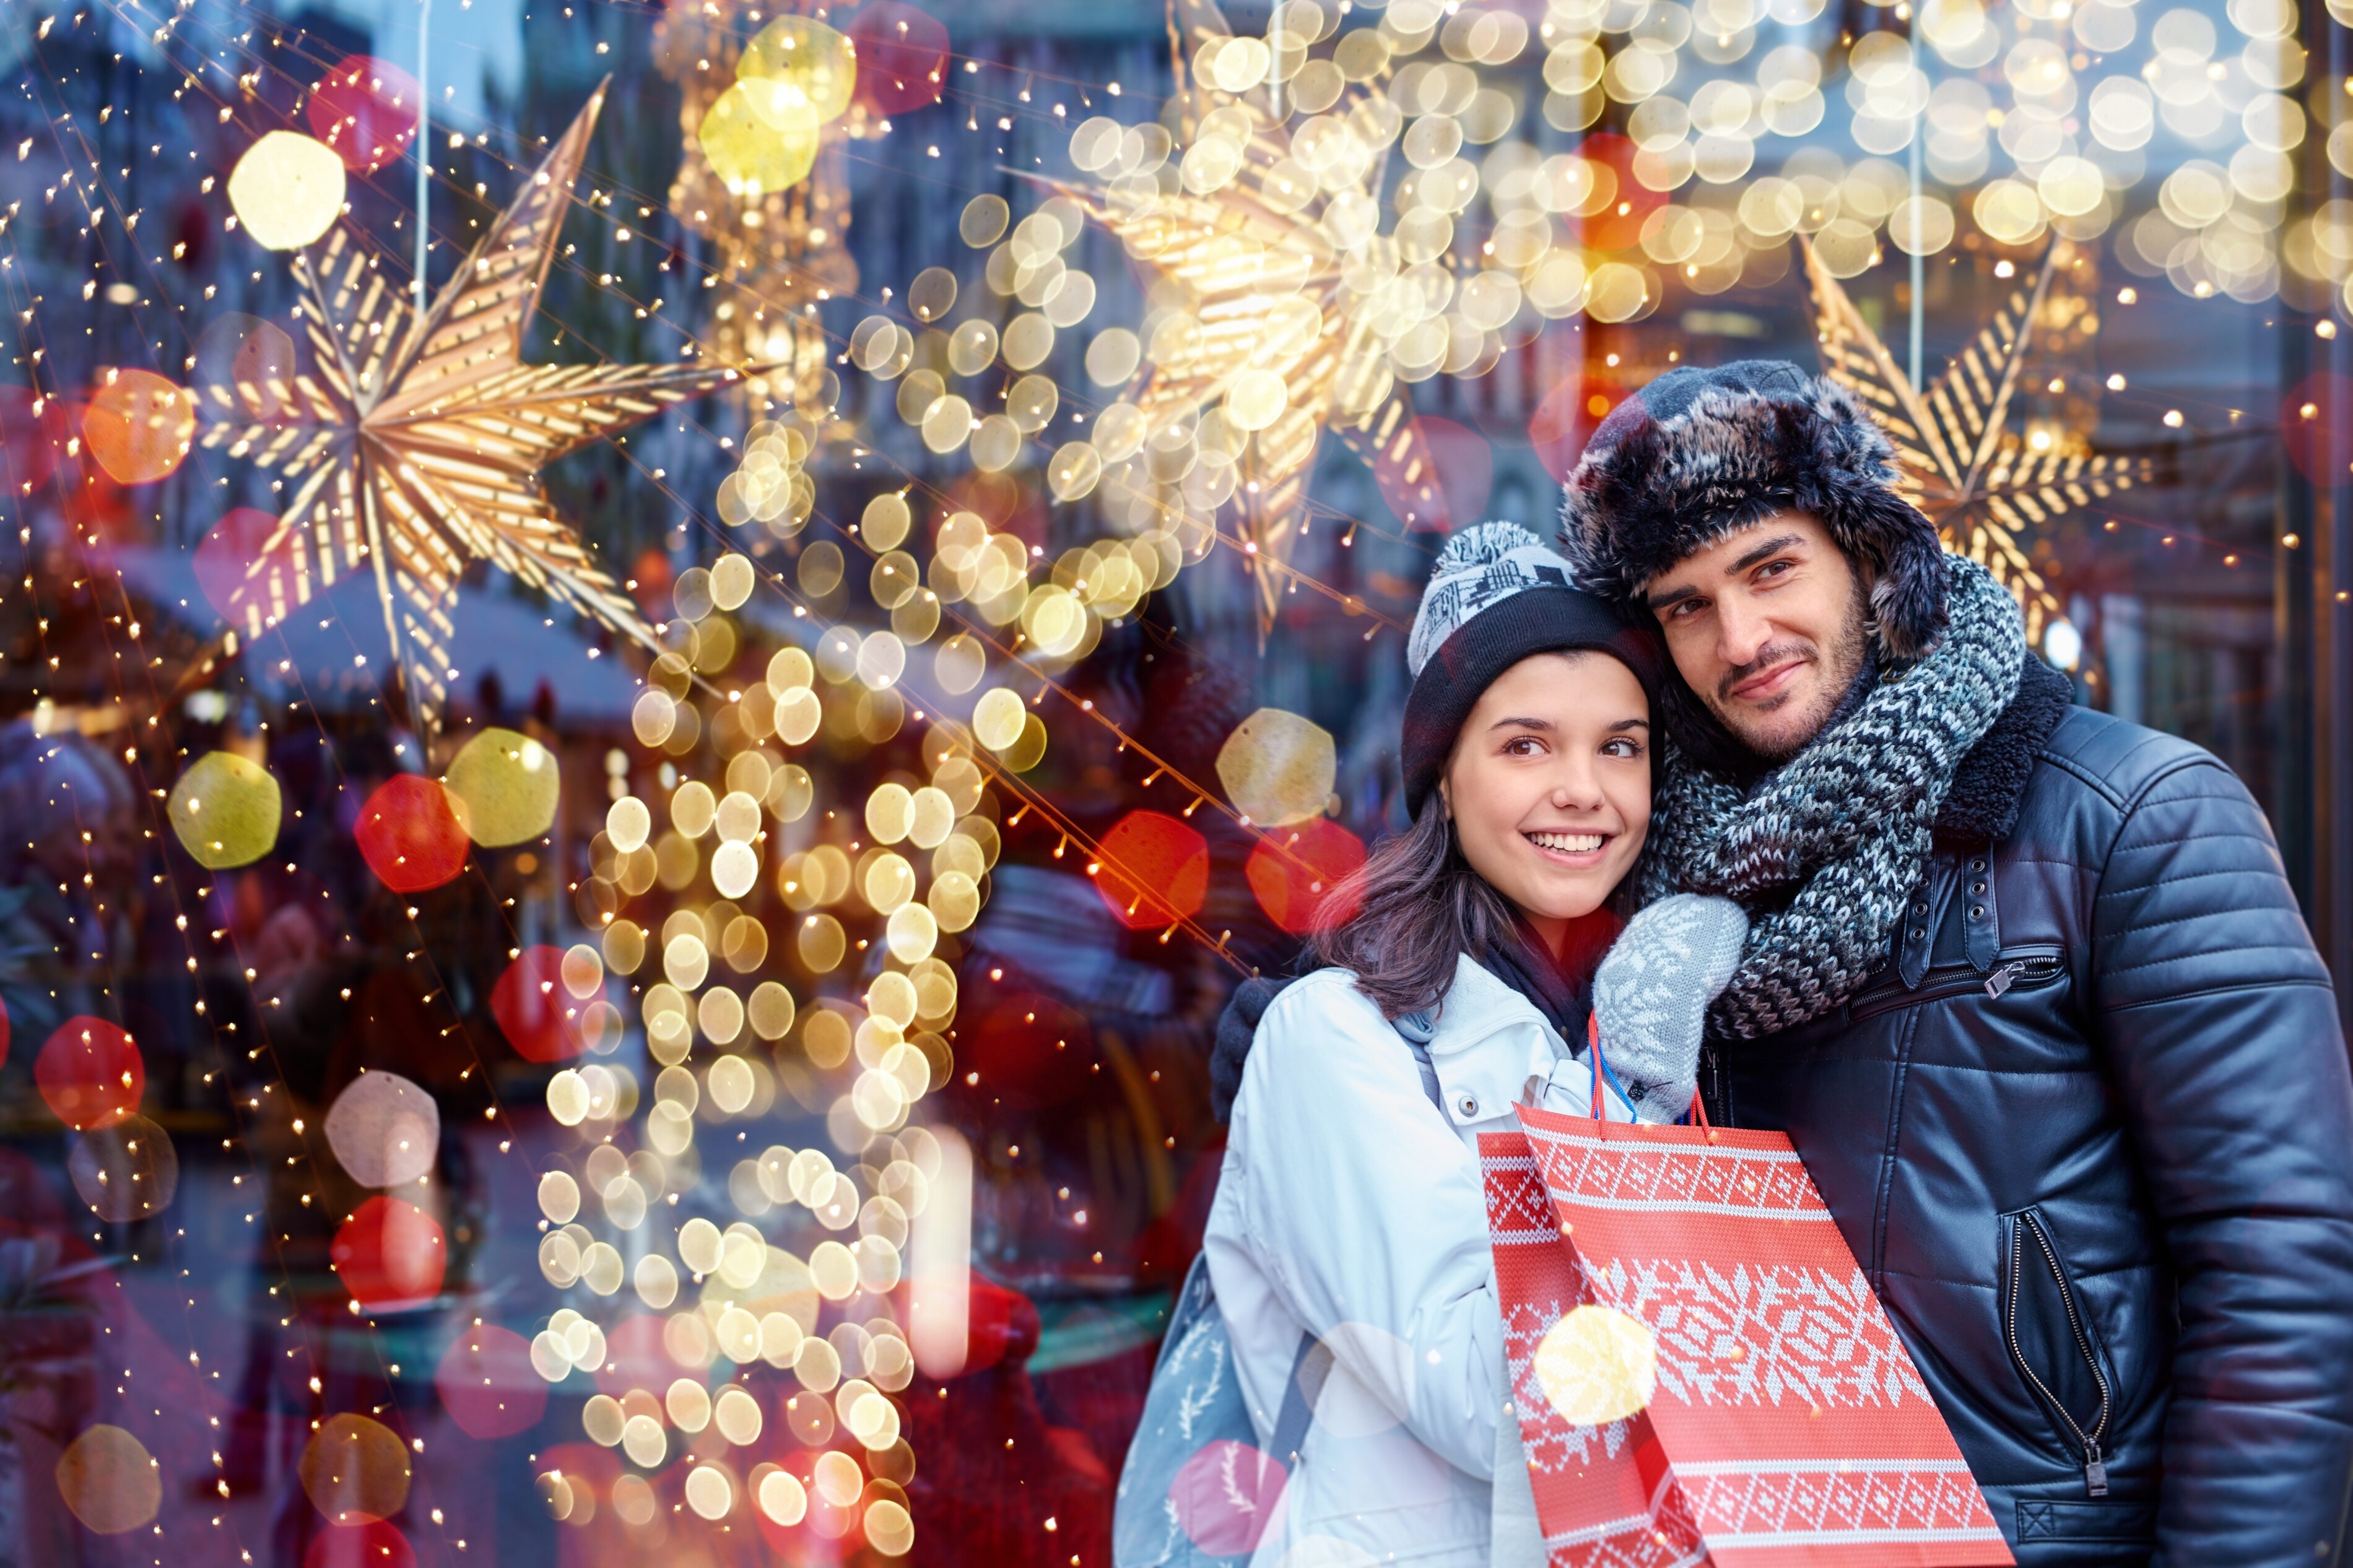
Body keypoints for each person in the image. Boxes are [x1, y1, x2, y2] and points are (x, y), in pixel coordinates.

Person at [1554, 359, 2353, 1564]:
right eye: (1684, 602)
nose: (1740, 637)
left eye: (1770, 568)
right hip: (1752, 1533)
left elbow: (2277, 1277)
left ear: (1870, 557)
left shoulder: (2129, 815)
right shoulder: (1665, 863)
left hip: (2040, 1532)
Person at [1201, 522, 1747, 1565]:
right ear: (1444, 776)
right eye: (1525, 744)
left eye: (1619, 746)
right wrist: (1622, 1088)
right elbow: (1479, 1390)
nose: (1583, 788)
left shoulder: (1658, 1014)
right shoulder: (1333, 1038)